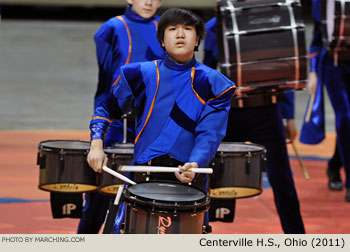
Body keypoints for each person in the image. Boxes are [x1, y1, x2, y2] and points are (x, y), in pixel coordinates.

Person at [87, 7, 236, 233]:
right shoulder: (139, 74)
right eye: (172, 29)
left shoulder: (216, 84)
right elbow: (106, 109)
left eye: (188, 29)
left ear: (197, 41)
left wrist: (195, 163)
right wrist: (97, 143)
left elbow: (210, 133)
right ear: (162, 41)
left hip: (189, 177)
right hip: (140, 176)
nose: (180, 34)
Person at [203, 14, 305, 233]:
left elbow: (283, 71)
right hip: (227, 113)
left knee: (282, 179)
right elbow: (207, 70)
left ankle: (297, 237)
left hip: (266, 111)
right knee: (208, 178)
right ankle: (200, 233)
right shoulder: (216, 25)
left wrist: (289, 117)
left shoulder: (276, 21)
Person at [78, 0, 164, 234]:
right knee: (99, 190)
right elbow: (105, 79)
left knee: (149, 188)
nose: (148, 2)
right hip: (115, 121)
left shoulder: (166, 27)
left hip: (152, 124)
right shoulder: (112, 27)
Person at [299, 0, 350, 202]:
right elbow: (318, 37)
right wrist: (313, 71)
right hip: (333, 65)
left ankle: (334, 166)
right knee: (345, 118)